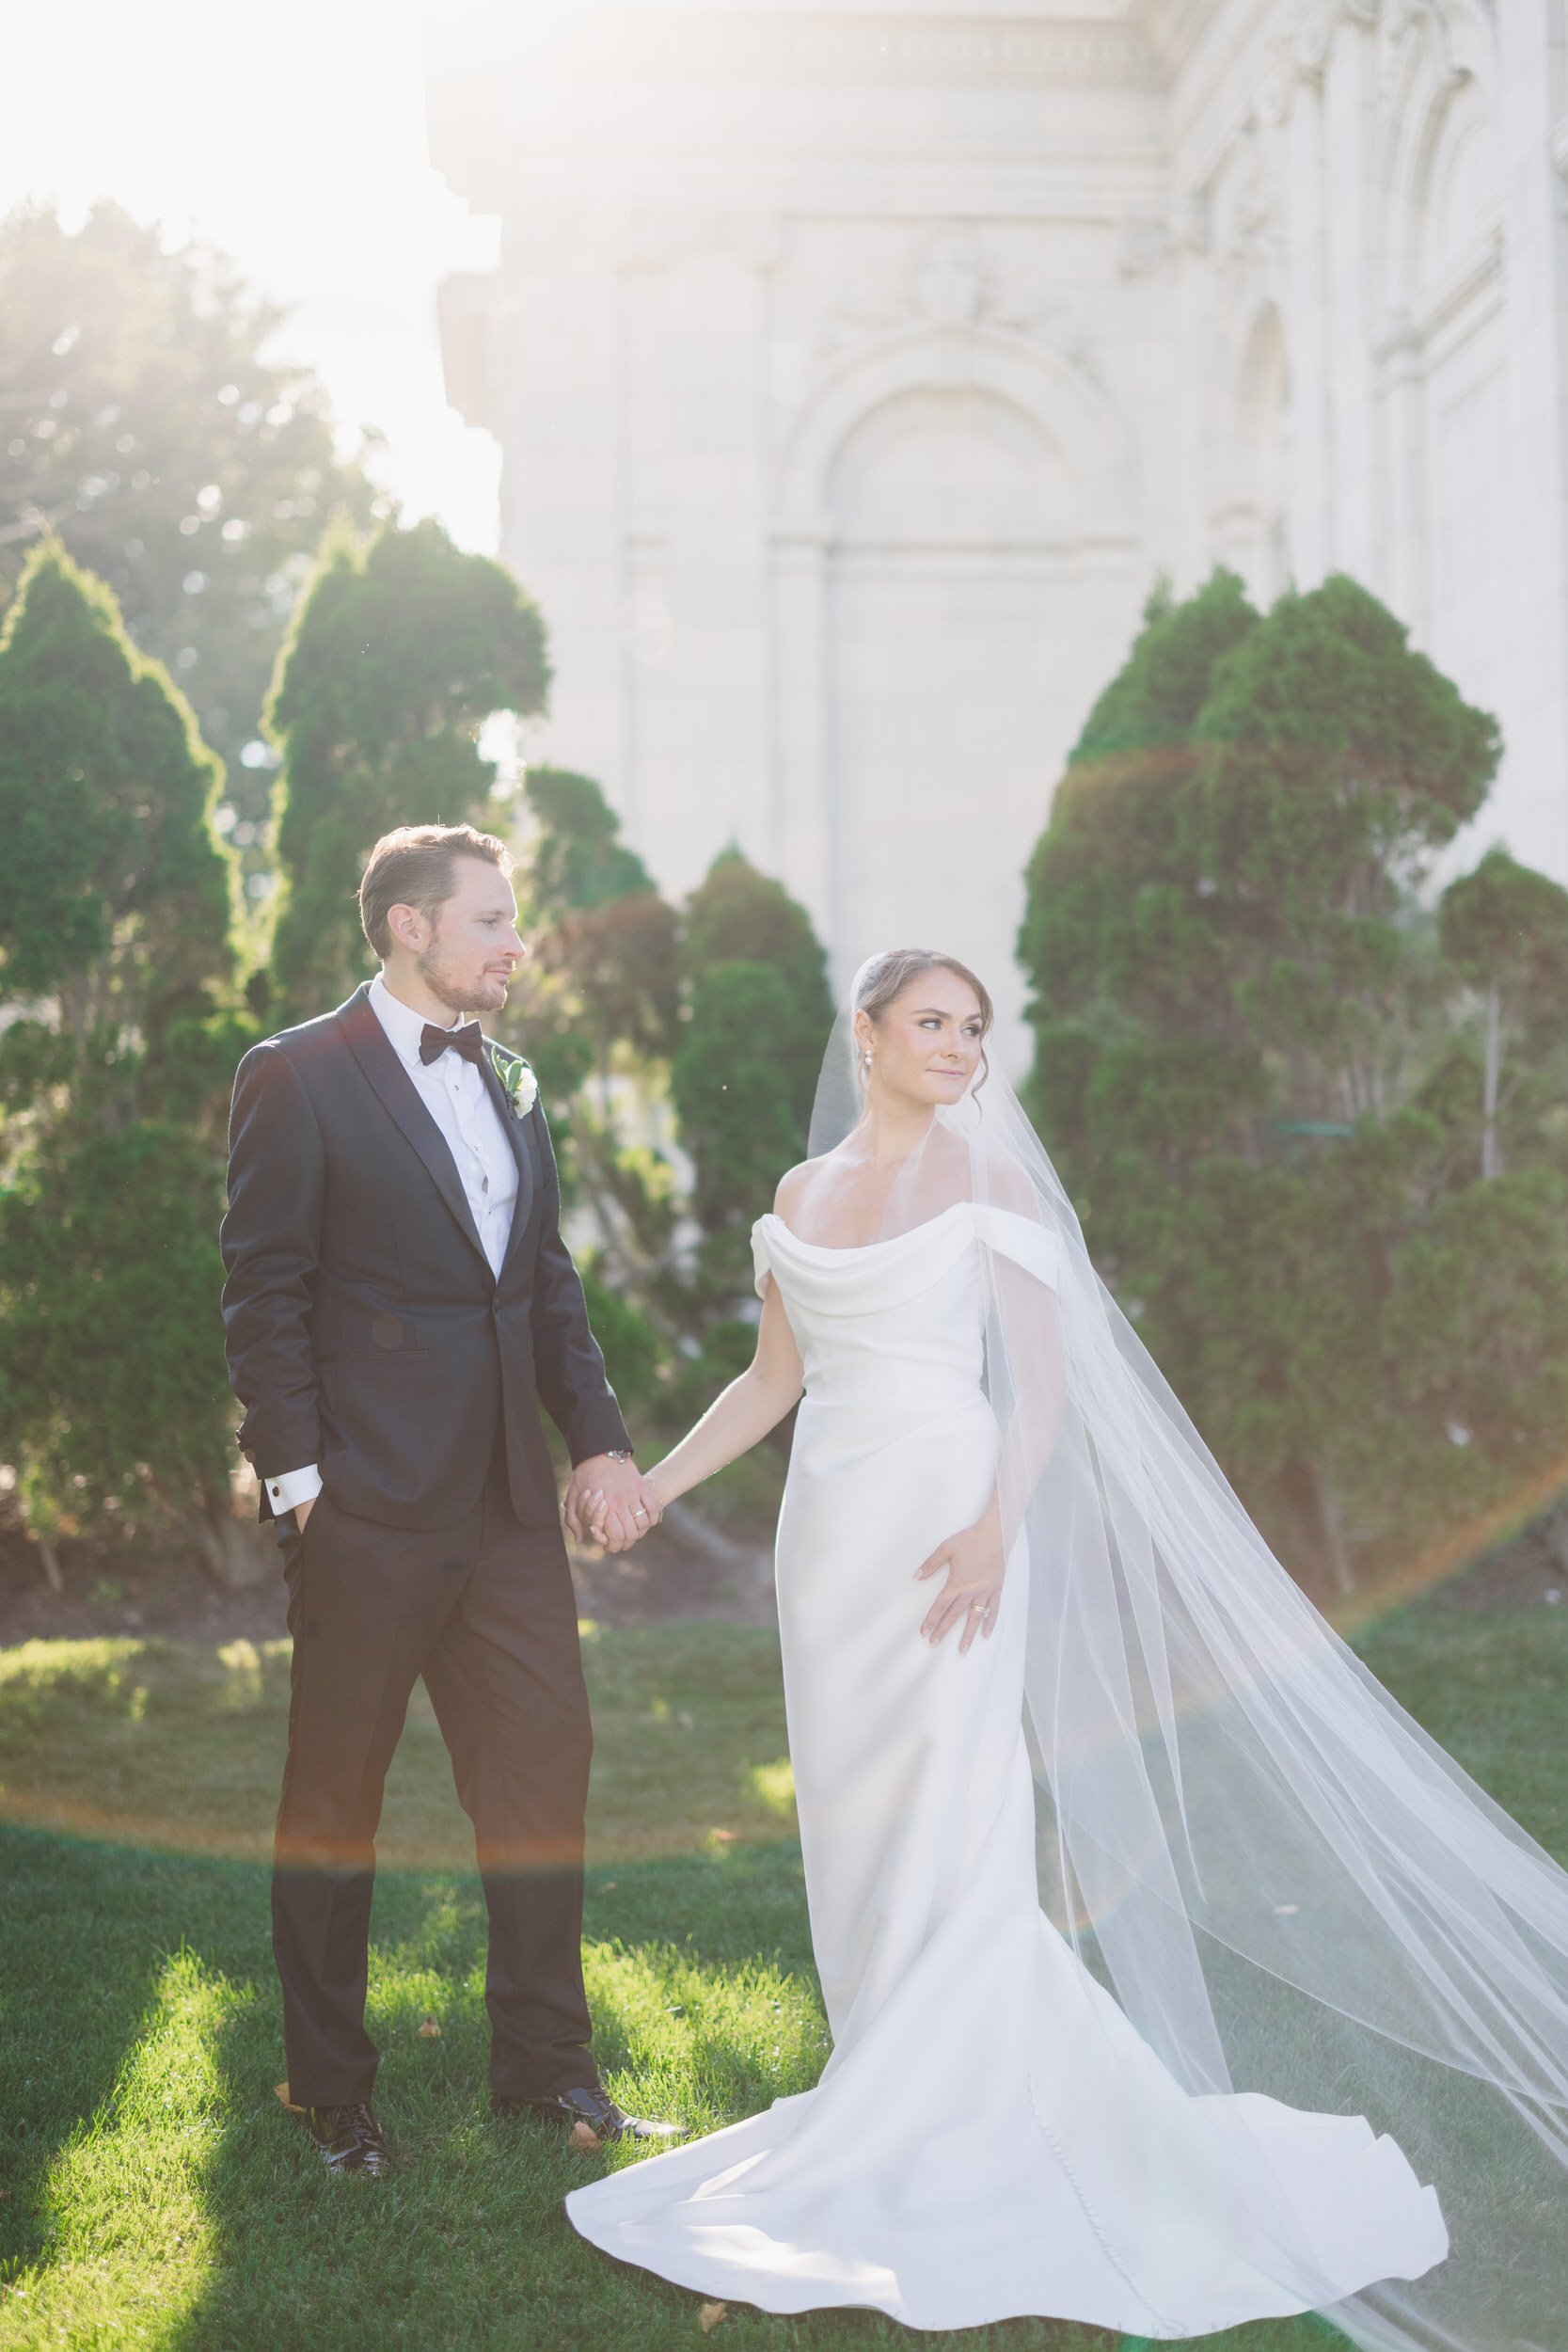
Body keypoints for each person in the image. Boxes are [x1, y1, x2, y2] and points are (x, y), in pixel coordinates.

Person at [564, 946, 1568, 2351]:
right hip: (830, 1547)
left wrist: (992, 1527)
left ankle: (967, 2093)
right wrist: (660, 1485)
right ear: (866, 1034)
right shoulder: (798, 1199)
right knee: (855, 1827)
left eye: (975, 1028)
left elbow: (1041, 1384)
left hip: (953, 1532)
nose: (959, 1048)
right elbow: (773, 1378)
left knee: (958, 1811)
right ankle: (884, 2070)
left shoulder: (994, 1184)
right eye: (932, 1023)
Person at [220, 822, 676, 2177]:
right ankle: (328, 2087)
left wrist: (596, 1444)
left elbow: (542, 1285)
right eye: (492, 920)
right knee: (335, 1801)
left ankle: (546, 2069)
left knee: (544, 1776)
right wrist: (304, 1487)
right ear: (411, 926)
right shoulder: (295, 1075)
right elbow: (263, 1290)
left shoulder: (511, 1081)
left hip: (508, 1512)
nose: (515, 944)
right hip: (364, 1507)